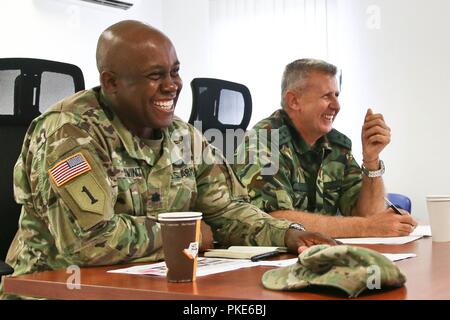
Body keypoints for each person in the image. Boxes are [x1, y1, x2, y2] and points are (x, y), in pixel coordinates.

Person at [1, 22, 336, 298]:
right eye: (155, 76)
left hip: (144, 286)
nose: (172, 86)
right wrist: (186, 233)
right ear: (111, 83)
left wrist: (288, 234)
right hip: (57, 290)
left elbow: (225, 210)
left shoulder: (182, 135)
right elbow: (90, 243)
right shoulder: (69, 133)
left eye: (175, 72)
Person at [233, 58, 417, 238]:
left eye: (336, 95)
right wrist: (366, 227)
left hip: (315, 255)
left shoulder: (337, 145)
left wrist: (371, 160)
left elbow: (367, 214)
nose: (336, 105)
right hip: (266, 260)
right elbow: (273, 220)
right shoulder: (263, 142)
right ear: (294, 101)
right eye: (326, 96)